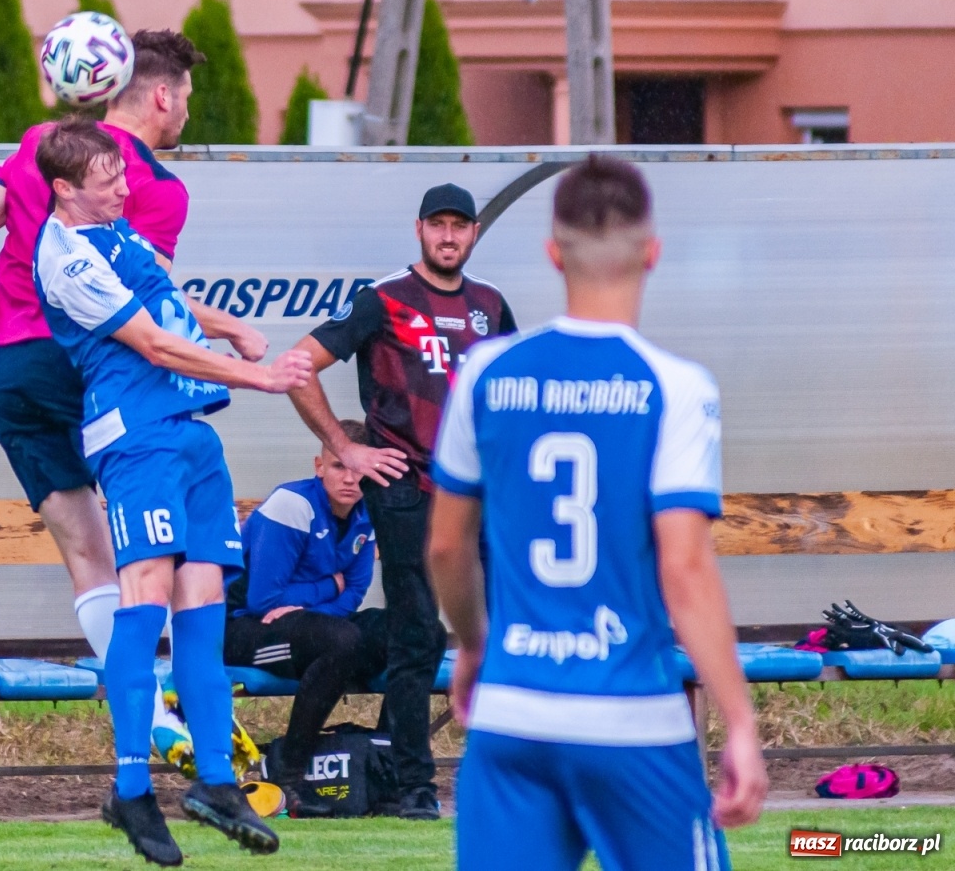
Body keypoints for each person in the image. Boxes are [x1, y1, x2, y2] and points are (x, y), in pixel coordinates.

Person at [0, 29, 265, 765]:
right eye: (185, 98)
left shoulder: (39, 143)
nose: (186, 112)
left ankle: (153, 715)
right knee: (159, 558)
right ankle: (179, 703)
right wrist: (236, 338)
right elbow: (148, 306)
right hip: (89, 371)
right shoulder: (149, 184)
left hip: (11, 375)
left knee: (83, 554)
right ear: (161, 95)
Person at [428, 156, 767, 869]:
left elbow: (447, 551)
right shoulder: (674, 388)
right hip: (631, 719)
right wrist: (739, 721)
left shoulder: (485, 372)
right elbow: (685, 567)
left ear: (553, 254)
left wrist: (474, 644)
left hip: (515, 713)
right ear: (653, 253)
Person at [32, 119, 313, 866]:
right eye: (107, 178)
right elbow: (152, 343)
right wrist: (259, 374)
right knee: (146, 598)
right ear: (65, 189)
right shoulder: (63, 259)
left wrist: (234, 329)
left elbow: (172, 306)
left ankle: (216, 782)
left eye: (122, 173)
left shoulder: (119, 234)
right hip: (138, 438)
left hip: (190, 434)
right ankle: (130, 789)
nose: (125, 187)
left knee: (204, 606)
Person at [285, 182, 516, 819]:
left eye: (459, 226)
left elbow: (511, 393)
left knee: (502, 632)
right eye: (438, 225)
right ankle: (416, 786)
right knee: (417, 633)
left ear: (472, 234)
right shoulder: (383, 299)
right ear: (419, 230)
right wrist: (346, 447)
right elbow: (299, 365)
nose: (449, 237)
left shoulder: (491, 306)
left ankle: (501, 778)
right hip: (406, 486)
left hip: (477, 493)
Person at [224, 419, 386, 819]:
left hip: (313, 626)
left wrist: (319, 603)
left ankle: (389, 767)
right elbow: (265, 600)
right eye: (338, 467)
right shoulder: (292, 505)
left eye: (359, 471)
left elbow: (353, 595)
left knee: (411, 634)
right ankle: (287, 772)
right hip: (242, 628)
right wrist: (327, 588)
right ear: (318, 465)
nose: (350, 479)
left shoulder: (369, 515)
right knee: (340, 640)